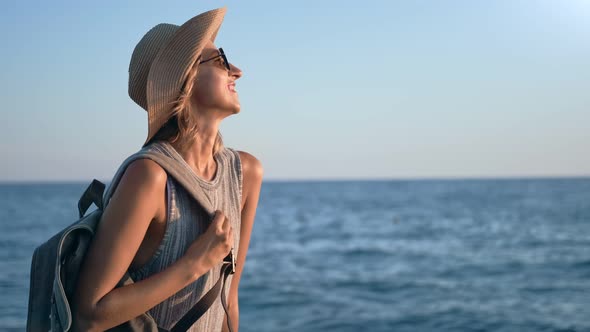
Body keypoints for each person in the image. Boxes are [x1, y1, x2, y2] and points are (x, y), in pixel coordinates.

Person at [72, 7, 263, 332]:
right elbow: (88, 314)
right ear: (185, 79)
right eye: (221, 60)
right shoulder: (149, 177)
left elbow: (228, 299)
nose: (237, 71)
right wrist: (195, 263)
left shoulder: (245, 173)